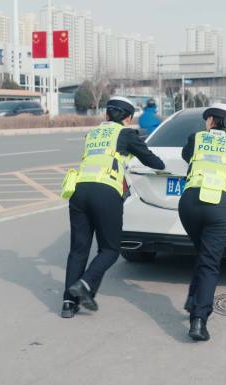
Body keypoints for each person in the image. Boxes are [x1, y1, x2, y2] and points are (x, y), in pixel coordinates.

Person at [62, 96, 165, 318]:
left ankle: (69, 304)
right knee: (109, 249)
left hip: (79, 191)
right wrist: (162, 167)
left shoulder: (93, 134)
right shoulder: (126, 134)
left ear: (107, 115)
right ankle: (85, 284)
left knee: (78, 249)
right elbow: (151, 160)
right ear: (127, 118)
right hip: (105, 192)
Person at [178, 103, 226, 341]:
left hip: (189, 202)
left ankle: (193, 297)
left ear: (211, 120)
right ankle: (198, 320)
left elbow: (186, 156)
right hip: (218, 203)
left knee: (202, 254)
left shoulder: (195, 138)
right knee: (209, 262)